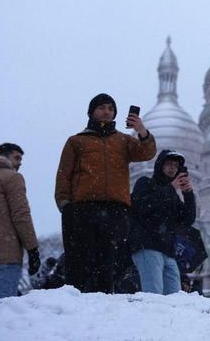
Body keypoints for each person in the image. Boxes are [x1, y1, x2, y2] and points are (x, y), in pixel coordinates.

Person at [54, 93, 156, 293]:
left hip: (116, 209)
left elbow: (147, 153)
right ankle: (79, 300)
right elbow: (63, 174)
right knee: (82, 259)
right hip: (83, 208)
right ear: (92, 112)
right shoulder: (76, 141)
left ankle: (106, 301)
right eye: (102, 107)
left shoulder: (124, 141)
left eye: (110, 108)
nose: (106, 111)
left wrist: (141, 130)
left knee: (111, 260)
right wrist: (64, 204)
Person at [129, 149, 196, 295]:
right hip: (147, 246)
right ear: (160, 165)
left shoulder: (172, 194)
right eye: (169, 164)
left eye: (176, 166)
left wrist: (188, 194)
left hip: (168, 251)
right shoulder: (145, 183)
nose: (173, 168)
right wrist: (170, 188)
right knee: (154, 295)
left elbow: (187, 220)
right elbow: (145, 208)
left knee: (174, 298)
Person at [0, 151, 40, 304]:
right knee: (4, 313)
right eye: (17, 158)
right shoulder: (11, 177)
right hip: (4, 258)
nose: (20, 162)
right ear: (4, 157)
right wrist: (32, 249)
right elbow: (21, 215)